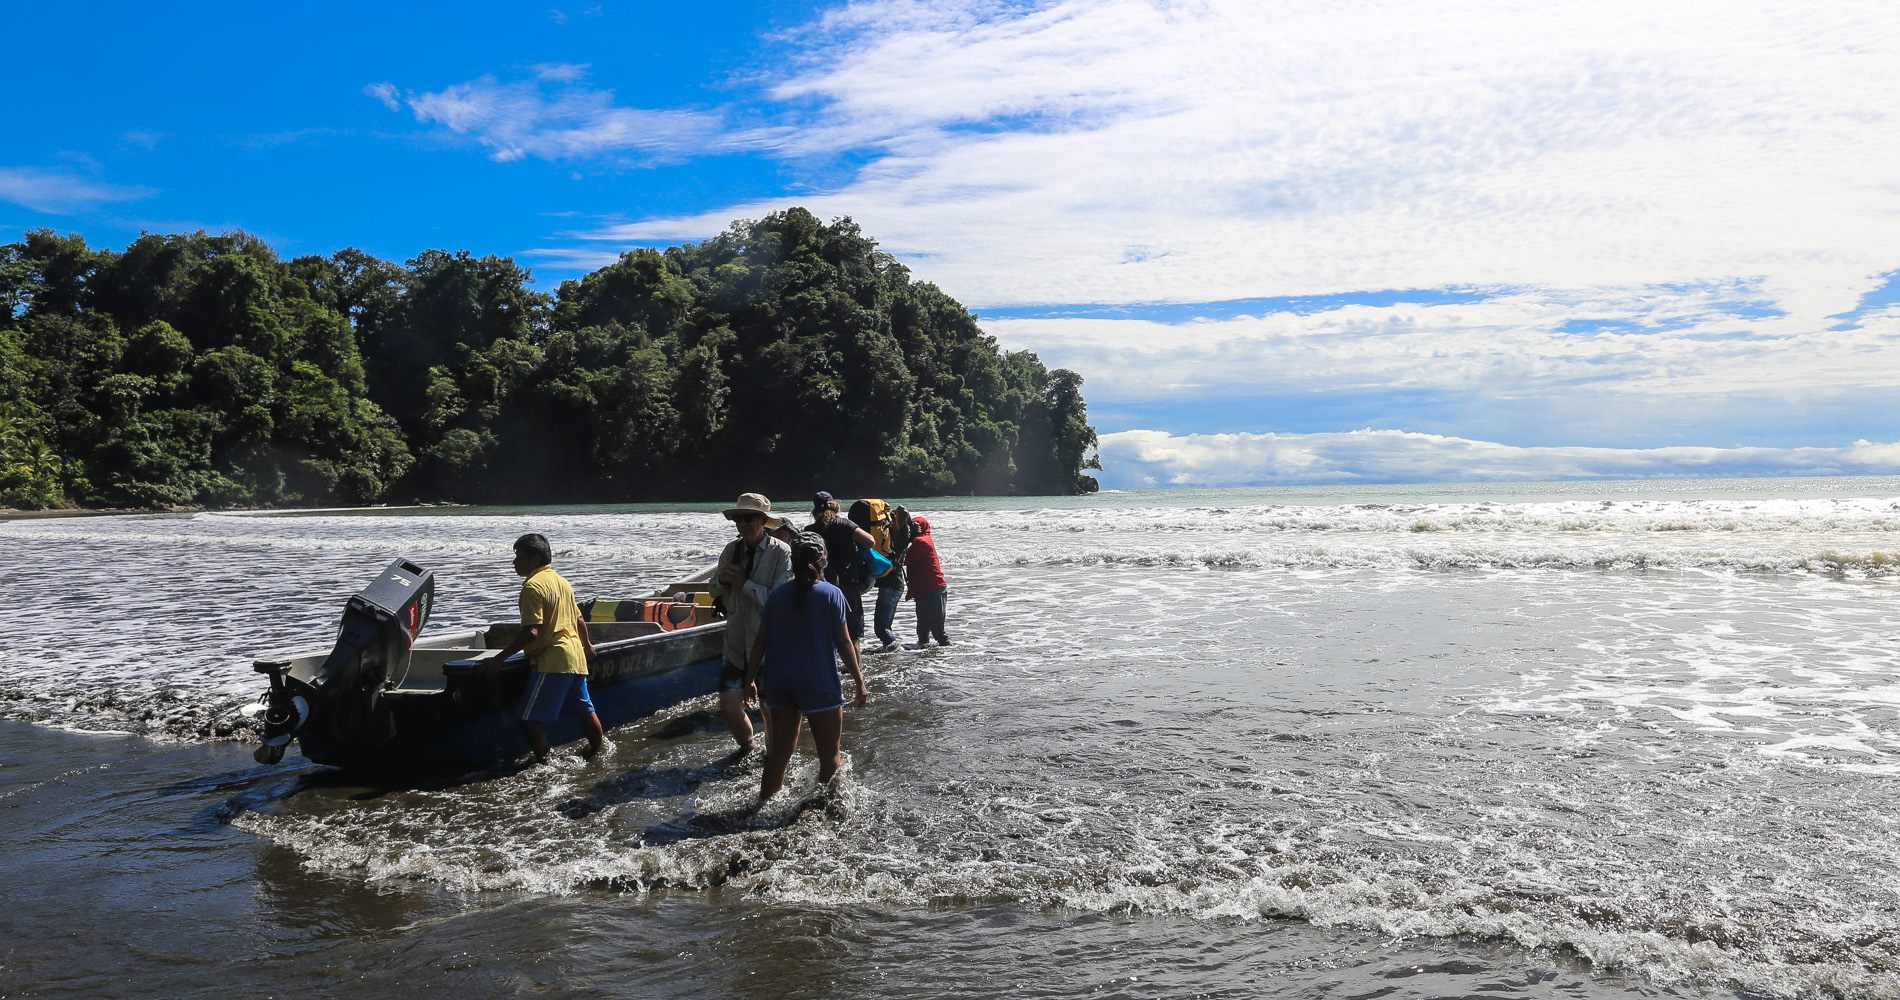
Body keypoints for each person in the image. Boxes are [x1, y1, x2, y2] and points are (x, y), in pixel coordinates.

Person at [745, 533, 869, 800]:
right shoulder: (831, 594)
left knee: (779, 755)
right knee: (830, 757)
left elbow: (759, 643)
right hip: (818, 683)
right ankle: (829, 812)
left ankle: (762, 809)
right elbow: (845, 643)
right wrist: (859, 681)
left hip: (780, 683)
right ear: (824, 559)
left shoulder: (777, 595)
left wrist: (749, 681)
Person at [484, 532, 604, 761]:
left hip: (553, 660)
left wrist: (498, 659)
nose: (514, 563)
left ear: (534, 560)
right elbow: (579, 620)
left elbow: (531, 632)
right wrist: (587, 646)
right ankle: (598, 753)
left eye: (519, 557)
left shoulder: (533, 587)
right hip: (575, 657)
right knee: (585, 711)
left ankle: (545, 763)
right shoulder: (562, 582)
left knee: (528, 718)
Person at [708, 492, 792, 752]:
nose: (741, 524)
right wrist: (722, 580)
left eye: (747, 518)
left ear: (762, 520)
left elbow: (778, 603)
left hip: (767, 645)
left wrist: (744, 584)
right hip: (734, 642)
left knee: (768, 706)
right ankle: (749, 748)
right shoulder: (731, 550)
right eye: (737, 519)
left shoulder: (781, 553)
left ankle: (774, 756)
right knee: (728, 704)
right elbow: (713, 590)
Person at [805, 491, 876, 648]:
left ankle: (830, 667)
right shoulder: (844, 524)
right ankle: (853, 668)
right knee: (853, 633)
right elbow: (870, 542)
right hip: (848, 584)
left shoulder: (809, 529)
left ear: (815, 510)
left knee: (826, 630)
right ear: (835, 506)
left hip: (822, 586)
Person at [859, 501, 916, 653]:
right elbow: (903, 512)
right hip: (893, 584)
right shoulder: (897, 534)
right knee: (884, 627)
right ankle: (889, 652)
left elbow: (902, 511)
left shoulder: (898, 534)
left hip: (892, 585)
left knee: (882, 629)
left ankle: (896, 650)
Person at [903, 515, 950, 647]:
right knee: (923, 628)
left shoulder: (921, 542)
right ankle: (929, 656)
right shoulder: (925, 539)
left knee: (937, 630)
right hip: (928, 589)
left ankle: (947, 655)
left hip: (932, 589)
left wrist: (905, 540)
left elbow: (903, 559)